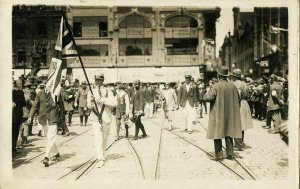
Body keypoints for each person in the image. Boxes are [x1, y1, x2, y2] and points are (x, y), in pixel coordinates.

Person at [203, 66, 242, 161]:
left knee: (217, 133)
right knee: (229, 133)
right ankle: (230, 154)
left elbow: (207, 98)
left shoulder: (215, 86)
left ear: (218, 75)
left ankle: (219, 155)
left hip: (218, 113)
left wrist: (205, 93)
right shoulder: (233, 86)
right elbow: (238, 99)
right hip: (230, 114)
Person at [27, 81, 64, 167]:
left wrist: (62, 120)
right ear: (45, 85)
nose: (51, 86)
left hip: (53, 118)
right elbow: (34, 106)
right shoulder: (40, 93)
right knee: (49, 137)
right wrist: (30, 117)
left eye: (52, 84)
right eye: (49, 84)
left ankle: (46, 157)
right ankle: (56, 153)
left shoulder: (56, 94)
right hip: (43, 119)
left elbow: (62, 107)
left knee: (51, 137)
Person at [87, 74, 117, 168]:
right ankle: (100, 158)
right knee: (97, 139)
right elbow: (88, 106)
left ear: (103, 80)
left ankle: (102, 155)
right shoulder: (91, 92)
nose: (98, 82)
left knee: (104, 139)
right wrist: (91, 102)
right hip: (95, 118)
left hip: (106, 118)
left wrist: (103, 100)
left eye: (100, 80)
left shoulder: (108, 91)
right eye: (96, 80)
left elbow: (114, 103)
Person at [230, 69, 253, 151]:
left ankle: (237, 143)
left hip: (235, 104)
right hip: (244, 104)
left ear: (234, 76)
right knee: (242, 124)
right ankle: (241, 142)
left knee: (236, 124)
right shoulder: (244, 84)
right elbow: (247, 95)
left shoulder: (232, 84)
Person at [12, 80, 26, 157]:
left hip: (17, 115)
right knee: (14, 133)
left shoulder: (19, 92)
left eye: (21, 83)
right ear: (16, 84)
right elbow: (23, 103)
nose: (21, 85)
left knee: (16, 133)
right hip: (14, 115)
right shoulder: (16, 92)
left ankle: (13, 149)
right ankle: (12, 150)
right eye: (19, 83)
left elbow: (24, 103)